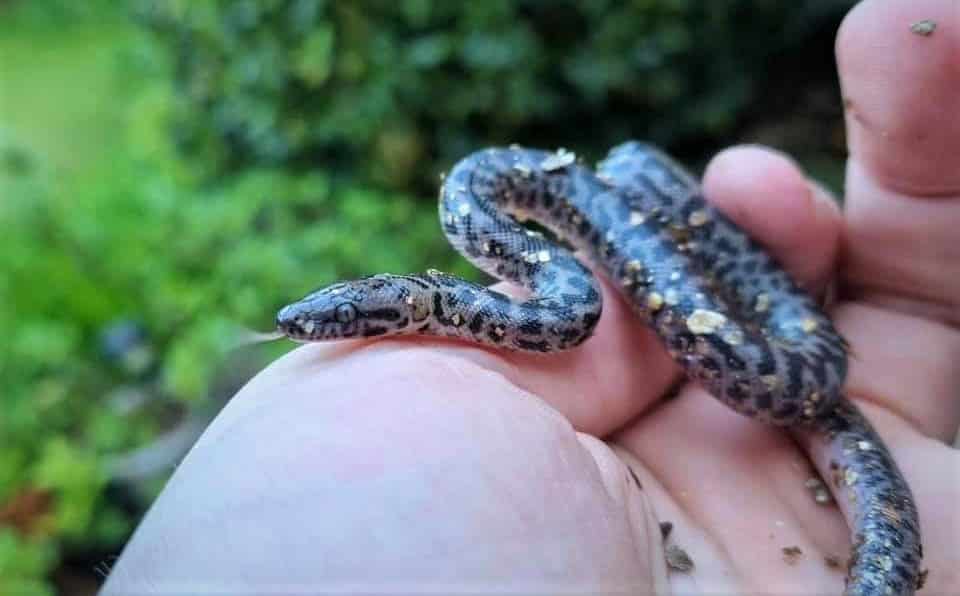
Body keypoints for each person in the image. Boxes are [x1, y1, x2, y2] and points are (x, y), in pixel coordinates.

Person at [102, 0, 959, 593]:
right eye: (326, 321)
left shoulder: (529, 262)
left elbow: (580, 300)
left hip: (789, 355)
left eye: (333, 320)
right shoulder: (512, 246)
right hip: (736, 345)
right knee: (633, 171)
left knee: (634, 170)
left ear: (397, 308)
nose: (311, 328)